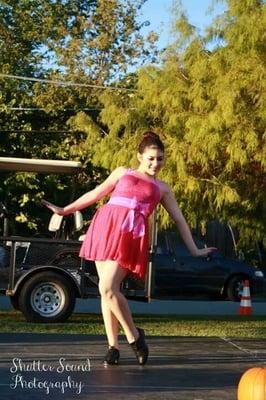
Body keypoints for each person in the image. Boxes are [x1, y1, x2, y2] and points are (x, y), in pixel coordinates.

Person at [42, 132, 216, 366]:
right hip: (105, 228)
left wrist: (195, 250)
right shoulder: (122, 172)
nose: (156, 163)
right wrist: (65, 210)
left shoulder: (162, 189)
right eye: (151, 158)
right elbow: (96, 193)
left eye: (160, 158)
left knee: (107, 287)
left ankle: (134, 336)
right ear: (140, 157)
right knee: (106, 292)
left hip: (129, 236)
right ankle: (113, 346)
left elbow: (179, 220)